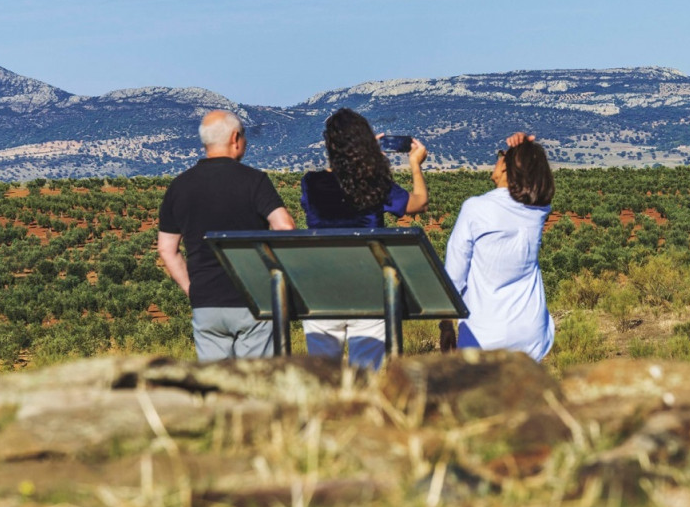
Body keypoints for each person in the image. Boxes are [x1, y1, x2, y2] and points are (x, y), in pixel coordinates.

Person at [158, 109, 296, 361]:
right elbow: (285, 227)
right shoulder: (255, 181)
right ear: (235, 138)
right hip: (255, 300)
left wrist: (193, 289)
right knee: (255, 385)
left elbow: (167, 249)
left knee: (215, 388)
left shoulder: (179, 186)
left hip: (207, 303)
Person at [300, 108, 428, 368]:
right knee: (368, 376)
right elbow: (419, 203)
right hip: (368, 288)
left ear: (330, 145)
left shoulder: (310, 183)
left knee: (324, 376)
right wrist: (413, 164)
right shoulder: (374, 182)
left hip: (320, 290)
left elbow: (331, 188)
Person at [444, 132, 555, 361]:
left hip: (483, 335)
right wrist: (525, 147)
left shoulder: (475, 209)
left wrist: (445, 325)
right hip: (531, 333)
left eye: (500, 156)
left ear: (506, 167)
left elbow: (453, 278)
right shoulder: (538, 212)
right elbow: (536, 179)